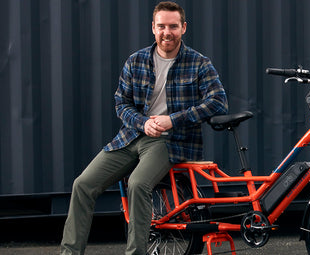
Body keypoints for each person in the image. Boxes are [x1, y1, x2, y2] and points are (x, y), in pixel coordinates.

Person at [60, 1, 228, 254]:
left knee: (138, 183)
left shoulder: (199, 63)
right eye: (161, 26)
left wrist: (173, 119)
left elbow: (218, 102)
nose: (166, 32)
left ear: (183, 28)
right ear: (153, 28)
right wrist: (142, 122)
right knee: (83, 184)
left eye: (173, 26)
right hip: (131, 137)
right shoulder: (136, 60)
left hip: (170, 141)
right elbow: (121, 102)